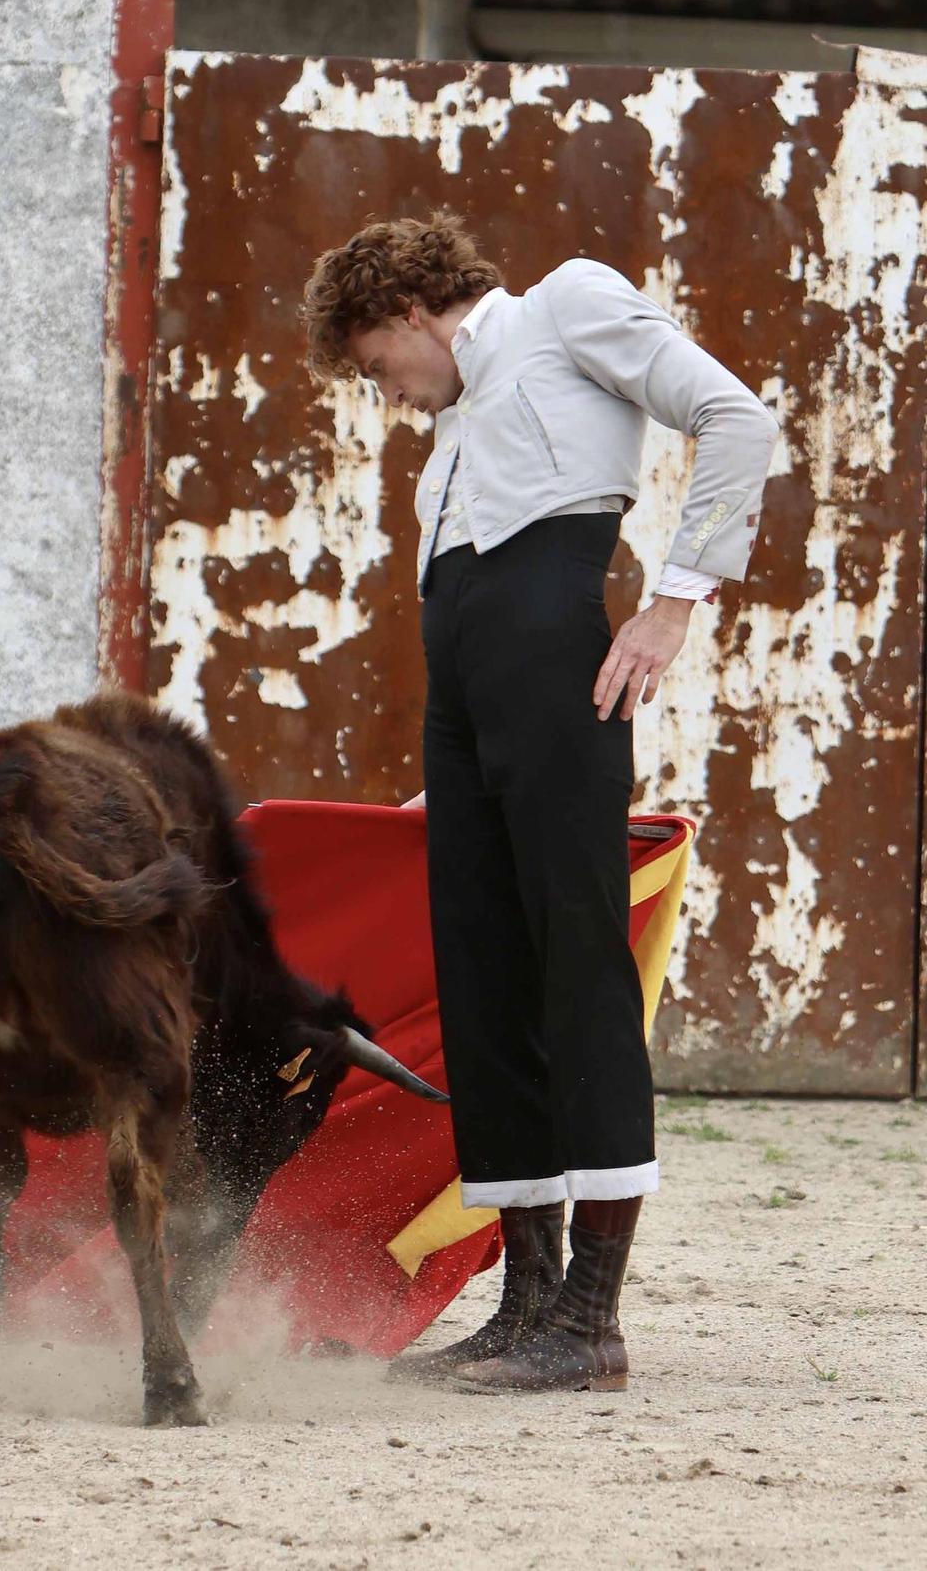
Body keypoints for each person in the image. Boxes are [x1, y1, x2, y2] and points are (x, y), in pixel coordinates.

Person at [300, 213, 778, 1393]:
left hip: (561, 675)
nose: (390, 395)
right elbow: (470, 606)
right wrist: (452, 758)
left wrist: (672, 603)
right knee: (483, 976)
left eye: (375, 365)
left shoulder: (565, 303)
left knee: (577, 963)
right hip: (468, 707)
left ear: (412, 308)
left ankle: (592, 1321)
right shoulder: (459, 423)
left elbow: (739, 418)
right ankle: (526, 1307)